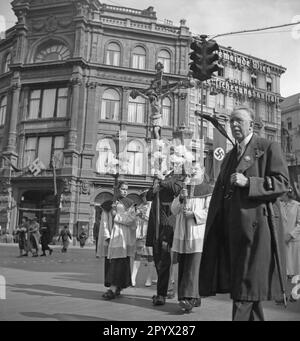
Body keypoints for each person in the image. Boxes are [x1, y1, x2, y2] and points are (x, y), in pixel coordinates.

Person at [199, 105, 289, 321]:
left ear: (252, 124)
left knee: (244, 290)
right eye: (231, 121)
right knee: (247, 290)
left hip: (257, 232)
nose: (234, 125)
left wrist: (250, 182)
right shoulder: (231, 156)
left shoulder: (268, 147)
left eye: (239, 120)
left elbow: (283, 183)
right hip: (233, 233)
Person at [171, 165, 213, 313]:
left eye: (197, 168)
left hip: (197, 233)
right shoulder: (184, 188)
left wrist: (194, 214)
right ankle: (185, 297)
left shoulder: (208, 190)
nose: (193, 171)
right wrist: (181, 198)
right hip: (182, 233)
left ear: (202, 170)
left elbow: (210, 211)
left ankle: (190, 298)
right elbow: (174, 210)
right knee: (183, 266)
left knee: (193, 267)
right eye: (192, 168)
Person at [146, 174, 183, 306]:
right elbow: (148, 196)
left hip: (167, 228)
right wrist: (154, 187)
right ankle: (167, 289)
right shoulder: (158, 181)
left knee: (164, 260)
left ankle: (162, 293)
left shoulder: (174, 179)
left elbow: (178, 188)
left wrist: (162, 180)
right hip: (155, 228)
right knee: (158, 260)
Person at [102, 181, 137, 300]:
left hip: (123, 237)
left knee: (120, 262)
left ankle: (114, 288)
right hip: (112, 237)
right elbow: (105, 220)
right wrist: (106, 235)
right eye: (122, 189)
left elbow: (131, 219)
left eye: (127, 189)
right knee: (113, 262)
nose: (125, 191)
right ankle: (116, 287)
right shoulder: (110, 202)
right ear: (117, 189)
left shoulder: (130, 203)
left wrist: (116, 216)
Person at [131, 192, 155, 287]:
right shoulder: (140, 206)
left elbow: (153, 220)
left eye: (144, 197)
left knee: (150, 255)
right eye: (142, 197)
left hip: (149, 234)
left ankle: (149, 278)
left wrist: (143, 216)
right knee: (138, 254)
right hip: (140, 234)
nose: (143, 199)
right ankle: (133, 277)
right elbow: (135, 219)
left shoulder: (152, 206)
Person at [280, 189, 300, 279]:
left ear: (286, 193)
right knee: (285, 272)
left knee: (295, 273)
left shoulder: (297, 206)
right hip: (282, 241)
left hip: (294, 241)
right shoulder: (279, 205)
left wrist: (291, 235)